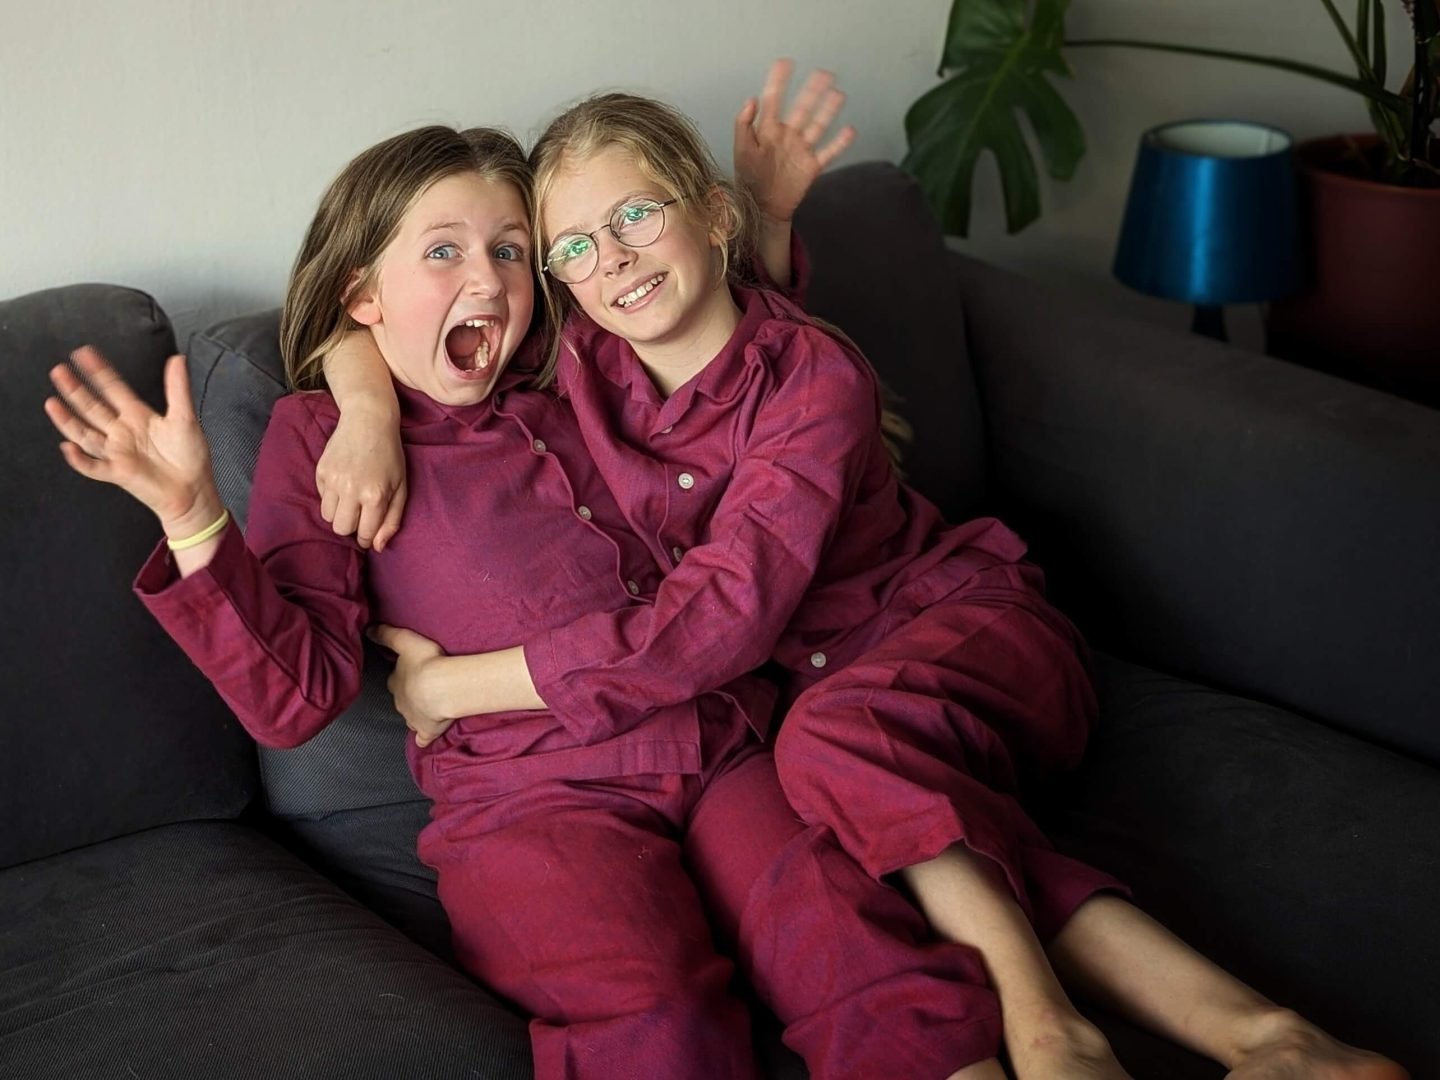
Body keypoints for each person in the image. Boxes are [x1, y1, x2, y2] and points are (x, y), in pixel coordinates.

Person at [314, 65, 1411, 1080]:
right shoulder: (584, 354)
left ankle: (1048, 1029)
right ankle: (1274, 1037)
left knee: (837, 751)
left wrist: (458, 685)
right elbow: (401, 311)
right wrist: (362, 405)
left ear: (712, 212)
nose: (612, 259)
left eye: (637, 216)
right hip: (827, 698)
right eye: (578, 247)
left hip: (956, 630)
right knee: (901, 819)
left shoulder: (814, 384)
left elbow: (713, 628)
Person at [42, 121, 1032, 1080]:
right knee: (657, 1017)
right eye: (444, 251)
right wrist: (199, 511)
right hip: (530, 804)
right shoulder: (320, 440)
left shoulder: (578, 361)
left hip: (721, 739)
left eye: (512, 251)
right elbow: (295, 699)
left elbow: (727, 354)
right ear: (364, 294)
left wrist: (764, 228)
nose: (487, 279)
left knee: (866, 960)